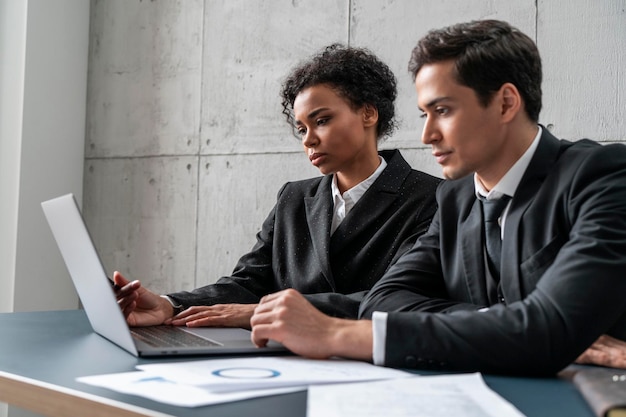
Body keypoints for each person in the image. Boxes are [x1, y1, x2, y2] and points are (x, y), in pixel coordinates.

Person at [249, 19, 626, 375]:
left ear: (506, 103)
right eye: (423, 115)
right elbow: (382, 301)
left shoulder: (604, 176)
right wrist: (506, 324)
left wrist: (333, 334)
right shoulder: (455, 199)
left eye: (442, 110)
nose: (427, 134)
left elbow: (550, 329)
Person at [113, 44, 441, 329]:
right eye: (301, 129)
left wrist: (262, 313)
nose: (309, 139)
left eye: (322, 120)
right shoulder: (294, 198)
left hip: (372, 366)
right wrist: (169, 304)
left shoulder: (432, 199)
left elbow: (395, 299)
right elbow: (248, 282)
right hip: (276, 360)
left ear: (368, 113)